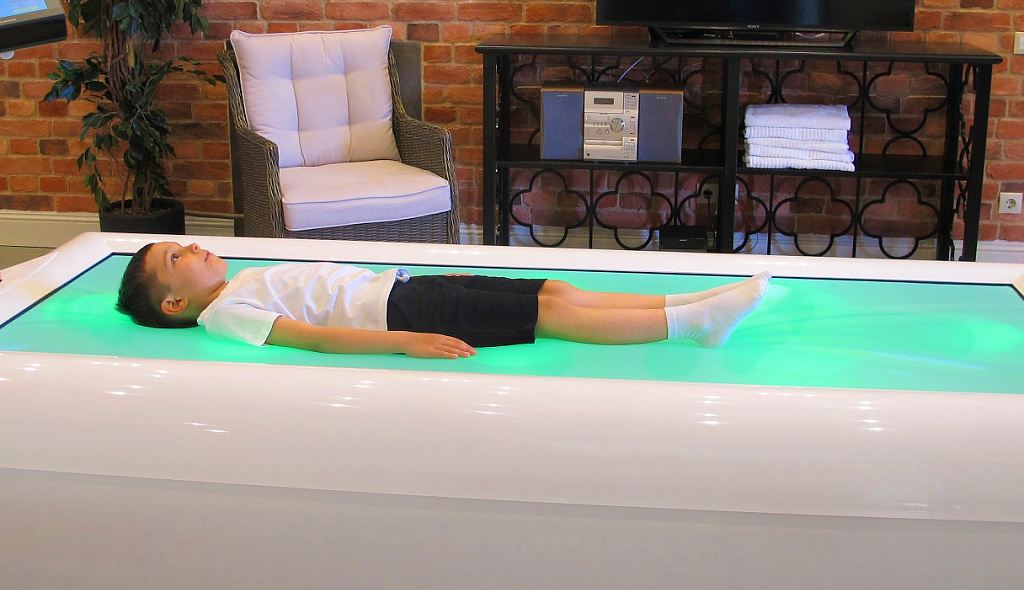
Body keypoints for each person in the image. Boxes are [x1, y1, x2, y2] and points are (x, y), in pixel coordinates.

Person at [116, 241, 770, 359]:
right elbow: (311, 336)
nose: (193, 247)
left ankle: (688, 298)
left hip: (406, 290)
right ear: (175, 305)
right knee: (550, 317)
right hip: (403, 314)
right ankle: (693, 325)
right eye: (177, 259)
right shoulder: (223, 315)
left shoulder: (237, 283)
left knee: (556, 289)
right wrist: (405, 341)